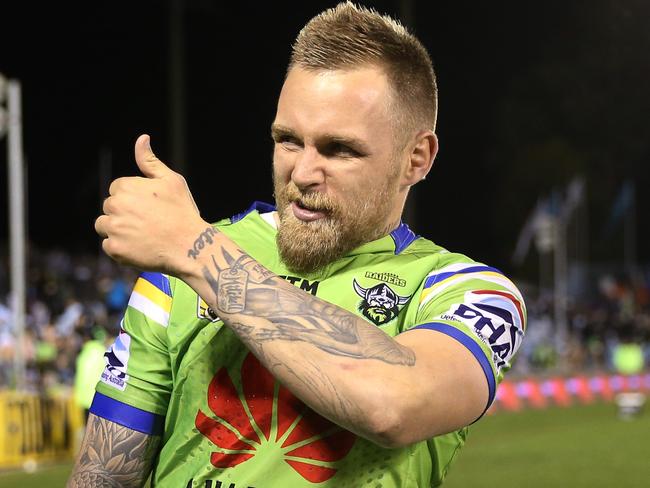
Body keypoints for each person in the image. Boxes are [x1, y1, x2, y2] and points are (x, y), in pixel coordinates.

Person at [68, 2, 526, 487]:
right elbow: (103, 474)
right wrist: (191, 251)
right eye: (288, 141)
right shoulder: (176, 271)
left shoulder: (470, 293)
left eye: (339, 149)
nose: (302, 174)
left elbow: (393, 404)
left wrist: (195, 249)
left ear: (416, 158)